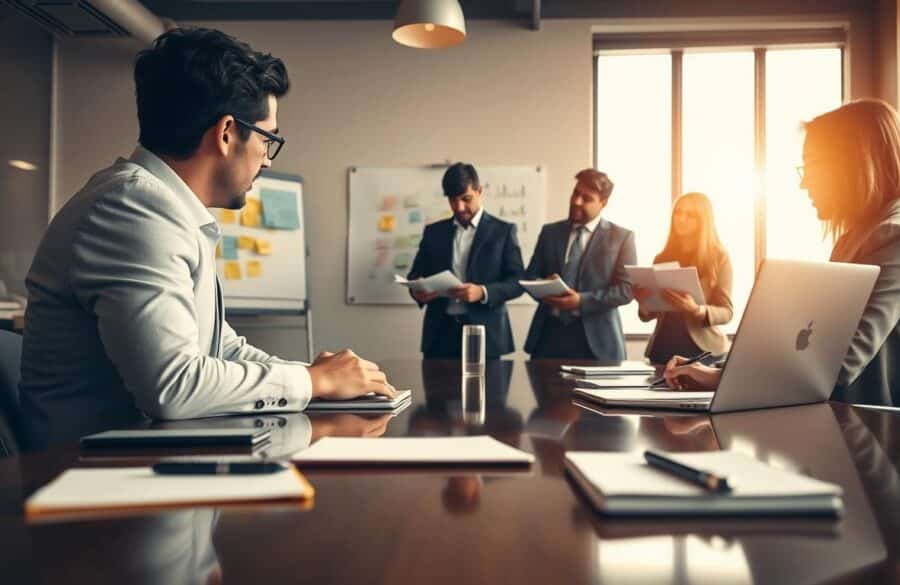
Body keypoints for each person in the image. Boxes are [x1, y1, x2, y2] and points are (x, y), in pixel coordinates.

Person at [19, 28, 395, 449]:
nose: (267, 161)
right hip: (86, 481)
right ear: (227, 132)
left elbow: (220, 348)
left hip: (135, 461)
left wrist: (319, 381)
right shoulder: (132, 210)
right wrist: (311, 380)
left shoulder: (163, 207)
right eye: (268, 139)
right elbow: (174, 386)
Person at [665, 99, 900, 407]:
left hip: (864, 435)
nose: (804, 182)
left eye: (811, 166)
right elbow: (809, 348)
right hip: (834, 420)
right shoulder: (862, 238)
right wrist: (715, 366)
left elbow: (834, 364)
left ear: (854, 165)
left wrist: (716, 376)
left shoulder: (899, 241)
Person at [406, 162, 525, 359]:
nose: (459, 207)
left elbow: (518, 281)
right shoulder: (434, 232)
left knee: (490, 390)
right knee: (437, 390)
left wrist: (482, 292)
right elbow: (415, 274)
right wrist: (418, 291)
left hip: (487, 336)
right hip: (439, 337)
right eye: (453, 200)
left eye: (466, 199)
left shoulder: (503, 231)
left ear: (479, 191)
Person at [524, 169, 636, 360]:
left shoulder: (622, 238)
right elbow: (529, 277)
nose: (577, 202)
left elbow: (626, 290)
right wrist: (545, 285)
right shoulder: (550, 232)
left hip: (597, 342)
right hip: (548, 337)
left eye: (587, 198)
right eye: (576, 193)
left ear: (603, 203)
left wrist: (581, 301)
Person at [635, 192, 734, 364]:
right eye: (678, 213)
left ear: (703, 221)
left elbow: (726, 312)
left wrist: (696, 309)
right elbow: (649, 314)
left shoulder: (719, 257)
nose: (681, 219)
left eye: (690, 215)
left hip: (702, 350)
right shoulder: (662, 257)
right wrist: (644, 303)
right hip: (663, 348)